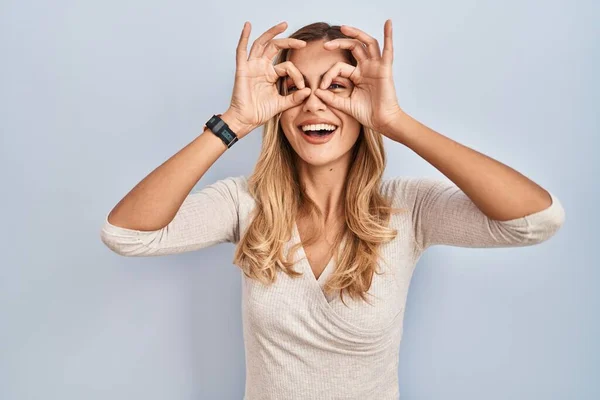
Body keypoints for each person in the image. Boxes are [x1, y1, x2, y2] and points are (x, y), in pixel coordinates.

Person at [100, 20, 566, 400]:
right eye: (294, 88)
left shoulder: (408, 209)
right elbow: (126, 234)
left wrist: (397, 123)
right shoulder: (246, 204)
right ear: (276, 107)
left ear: (364, 101)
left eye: (337, 86)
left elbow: (536, 220)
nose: (315, 103)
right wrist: (234, 122)